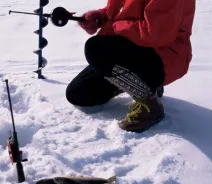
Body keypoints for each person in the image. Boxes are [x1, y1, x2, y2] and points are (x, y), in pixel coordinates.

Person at [65, 0, 196, 133]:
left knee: (96, 49)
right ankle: (139, 83)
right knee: (78, 93)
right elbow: (125, 10)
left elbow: (155, 33)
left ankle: (149, 105)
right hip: (134, 46)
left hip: (164, 57)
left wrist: (113, 26)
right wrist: (102, 16)